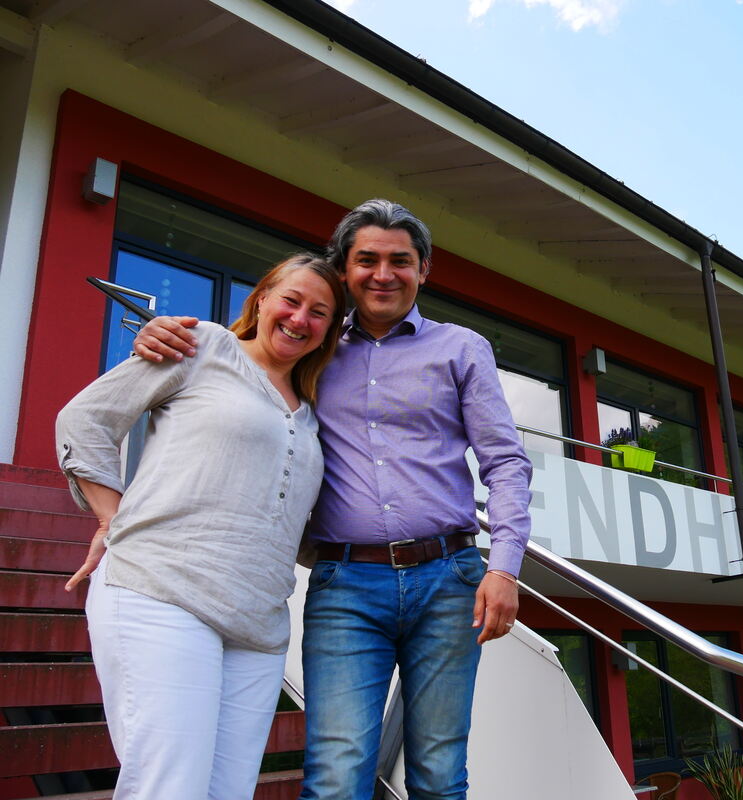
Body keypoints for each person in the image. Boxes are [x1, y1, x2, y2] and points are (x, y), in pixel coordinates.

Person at [133, 199, 533, 800]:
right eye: (366, 260)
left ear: (424, 270)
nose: (383, 274)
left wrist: (503, 568)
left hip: (450, 580)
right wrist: (163, 334)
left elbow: (505, 463)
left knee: (438, 771)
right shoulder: (311, 345)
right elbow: (241, 369)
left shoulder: (461, 348)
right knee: (337, 775)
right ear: (344, 270)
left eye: (400, 261)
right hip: (346, 584)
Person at [57, 253, 346, 800]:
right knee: (170, 787)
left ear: (330, 330)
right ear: (261, 299)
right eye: (291, 300)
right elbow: (85, 419)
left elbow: (298, 525)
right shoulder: (205, 346)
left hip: (259, 628)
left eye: (319, 312)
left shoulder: (314, 414)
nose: (300, 319)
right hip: (161, 591)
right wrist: (110, 517)